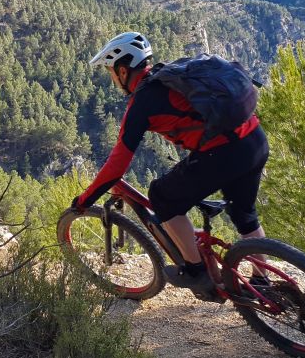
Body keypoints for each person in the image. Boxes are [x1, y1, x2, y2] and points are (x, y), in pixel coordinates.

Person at [71, 32, 270, 296]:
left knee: (162, 197)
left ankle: (196, 271)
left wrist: (85, 200)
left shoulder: (142, 102)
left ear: (122, 70)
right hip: (254, 139)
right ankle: (263, 282)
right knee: (244, 214)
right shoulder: (173, 73)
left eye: (111, 72)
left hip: (223, 153)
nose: (112, 79)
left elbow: (118, 163)